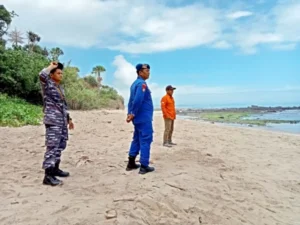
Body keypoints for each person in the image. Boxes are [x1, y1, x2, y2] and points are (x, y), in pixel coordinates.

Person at [39, 62, 74, 186]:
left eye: (61, 73)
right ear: (52, 74)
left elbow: (63, 105)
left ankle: (55, 168)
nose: (61, 75)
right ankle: (48, 176)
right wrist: (50, 67)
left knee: (60, 145)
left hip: (61, 121)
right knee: (52, 146)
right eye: (58, 73)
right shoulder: (48, 85)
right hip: (53, 120)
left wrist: (69, 119)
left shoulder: (60, 88)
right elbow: (42, 75)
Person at [125, 63, 155, 175]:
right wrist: (132, 113)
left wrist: (130, 113)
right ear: (140, 72)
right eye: (146, 70)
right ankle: (144, 166)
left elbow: (130, 101)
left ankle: (131, 163)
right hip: (143, 117)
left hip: (137, 118)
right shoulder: (142, 84)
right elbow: (137, 100)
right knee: (146, 139)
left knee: (137, 139)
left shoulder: (134, 84)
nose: (148, 72)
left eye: (148, 70)